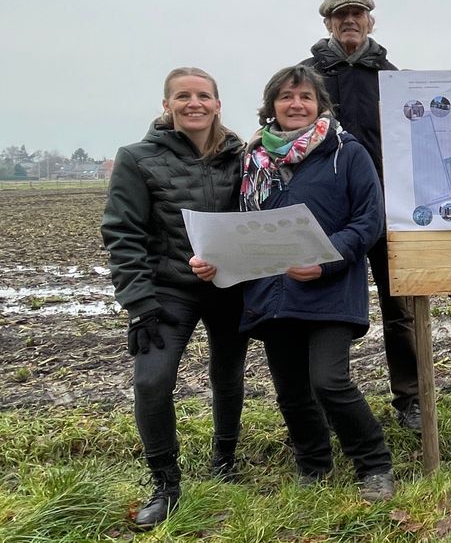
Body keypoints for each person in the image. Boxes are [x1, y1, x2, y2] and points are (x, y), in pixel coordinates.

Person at [193, 65, 395, 501]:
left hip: (330, 288)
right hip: (270, 291)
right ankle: (313, 467)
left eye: (305, 97)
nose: (296, 104)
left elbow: (369, 222)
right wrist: (212, 259)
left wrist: (324, 261)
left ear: (320, 105)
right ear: (272, 106)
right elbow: (235, 224)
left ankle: (374, 465)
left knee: (329, 381)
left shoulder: (347, 152)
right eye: (287, 97)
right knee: (291, 390)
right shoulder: (252, 158)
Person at [100, 67, 249, 529]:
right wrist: (139, 301)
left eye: (203, 95)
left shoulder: (241, 157)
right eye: (182, 96)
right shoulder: (137, 158)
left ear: (218, 104)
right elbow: (123, 233)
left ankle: (224, 458)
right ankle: (165, 483)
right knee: (151, 381)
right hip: (168, 291)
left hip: (229, 287)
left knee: (228, 373)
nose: (194, 103)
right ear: (166, 105)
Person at [302, 0, 421, 431]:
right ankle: (329, 402)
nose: (349, 21)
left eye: (357, 14)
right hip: (329, 216)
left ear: (371, 21)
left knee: (402, 310)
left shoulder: (394, 79)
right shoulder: (306, 78)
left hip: (391, 212)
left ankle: (409, 398)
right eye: (340, 15)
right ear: (327, 24)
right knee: (326, 309)